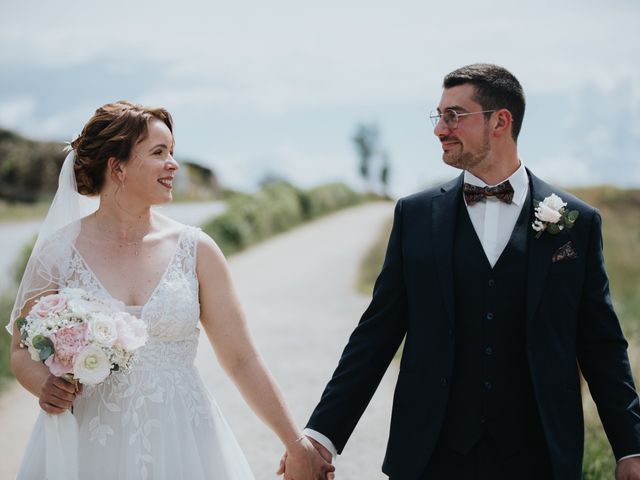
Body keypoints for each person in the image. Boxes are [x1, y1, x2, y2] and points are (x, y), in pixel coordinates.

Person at [285, 64, 640, 479]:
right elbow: (376, 335)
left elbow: (601, 345)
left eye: (454, 115)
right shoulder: (415, 217)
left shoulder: (577, 222)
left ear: (500, 122)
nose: (440, 129)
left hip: (539, 457)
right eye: (439, 116)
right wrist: (321, 436)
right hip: (431, 455)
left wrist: (630, 446)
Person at [7, 101, 334, 480]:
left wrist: (295, 444)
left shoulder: (196, 250)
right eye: (159, 153)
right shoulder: (59, 251)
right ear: (118, 167)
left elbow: (242, 359)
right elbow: (20, 350)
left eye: (173, 152)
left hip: (183, 438)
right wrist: (44, 385)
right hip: (88, 443)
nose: (174, 165)